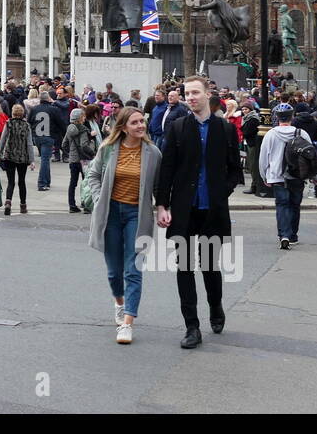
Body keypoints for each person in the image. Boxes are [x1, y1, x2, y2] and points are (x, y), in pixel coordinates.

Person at [154, 75, 243, 350]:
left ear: (207, 94)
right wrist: (162, 204)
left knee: (209, 266)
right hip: (184, 208)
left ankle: (215, 307)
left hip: (212, 209)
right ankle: (191, 326)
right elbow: (166, 168)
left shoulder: (224, 129)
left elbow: (234, 170)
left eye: (195, 92)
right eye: (186, 93)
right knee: (184, 267)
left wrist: (221, 193)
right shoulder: (178, 127)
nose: (190, 97)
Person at [86, 106, 161, 345]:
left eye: (142, 121)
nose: (141, 126)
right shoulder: (108, 149)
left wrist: (162, 207)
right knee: (113, 272)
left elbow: (160, 186)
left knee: (133, 269)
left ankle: (127, 323)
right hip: (111, 213)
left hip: (136, 214)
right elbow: (93, 175)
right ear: (123, 126)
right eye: (135, 122)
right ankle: (119, 303)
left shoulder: (153, 152)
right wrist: (98, 199)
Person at [259, 102, 314, 249]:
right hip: (297, 175)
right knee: (295, 205)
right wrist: (314, 175)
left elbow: (263, 157)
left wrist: (264, 175)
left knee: (282, 205)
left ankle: (284, 235)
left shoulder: (270, 134)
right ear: (292, 116)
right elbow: (311, 155)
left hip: (277, 175)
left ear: (277, 117)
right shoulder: (301, 133)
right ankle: (293, 235)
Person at [0, 103, 37, 216]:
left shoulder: (8, 124)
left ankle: (8, 202)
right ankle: (23, 206)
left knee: (11, 182)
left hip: (9, 156)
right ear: (22, 113)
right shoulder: (26, 125)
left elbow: (2, 140)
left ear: (13, 113)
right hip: (22, 157)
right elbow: (29, 144)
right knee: (22, 182)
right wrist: (32, 160)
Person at [61, 107, 97, 213]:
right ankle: (86, 204)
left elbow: (64, 144)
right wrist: (93, 153)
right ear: (80, 117)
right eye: (83, 116)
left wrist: (70, 154)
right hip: (84, 160)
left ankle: (72, 205)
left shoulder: (69, 129)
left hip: (73, 160)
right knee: (86, 182)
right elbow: (84, 145)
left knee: (73, 183)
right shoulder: (83, 129)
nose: (85, 118)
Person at [29, 91, 66, 192]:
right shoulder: (54, 109)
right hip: (48, 136)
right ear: (48, 98)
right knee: (45, 160)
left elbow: (29, 121)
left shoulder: (34, 109)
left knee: (46, 159)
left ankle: (47, 181)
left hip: (37, 137)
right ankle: (42, 183)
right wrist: (64, 134)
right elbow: (61, 124)